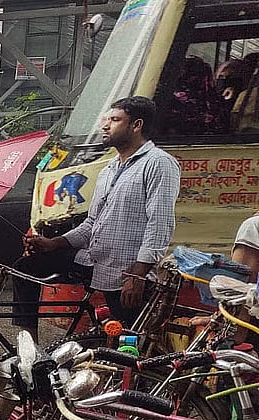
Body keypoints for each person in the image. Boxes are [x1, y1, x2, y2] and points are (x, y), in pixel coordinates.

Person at [13, 96, 180, 338]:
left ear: (136, 125)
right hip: (93, 260)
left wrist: (138, 274)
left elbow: (160, 223)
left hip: (125, 272)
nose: (105, 125)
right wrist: (53, 243)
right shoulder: (108, 169)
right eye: (107, 119)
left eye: (114, 120)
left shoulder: (159, 164)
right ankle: (28, 349)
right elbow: (91, 224)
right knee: (24, 268)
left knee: (129, 345)